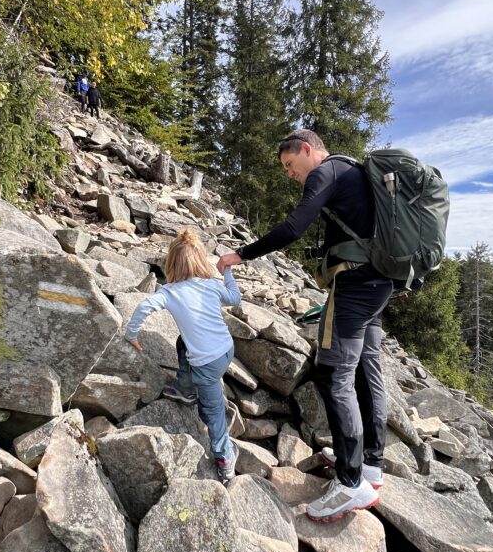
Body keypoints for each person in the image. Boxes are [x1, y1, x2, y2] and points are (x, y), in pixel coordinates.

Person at [216, 129, 394, 522]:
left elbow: (294, 227)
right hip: (380, 281)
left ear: (307, 150)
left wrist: (239, 255)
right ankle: (371, 465)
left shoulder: (325, 172)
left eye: (289, 165)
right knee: (368, 369)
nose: (289, 174)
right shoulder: (355, 171)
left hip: (356, 283)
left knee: (336, 373)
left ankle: (351, 484)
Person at [127, 229, 242, 482]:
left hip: (205, 367)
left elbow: (144, 306)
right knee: (183, 342)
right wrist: (228, 273)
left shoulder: (169, 292)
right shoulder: (212, 285)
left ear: (171, 264)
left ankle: (224, 456)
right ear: (201, 260)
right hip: (226, 351)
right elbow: (235, 298)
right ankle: (186, 388)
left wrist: (132, 335)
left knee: (213, 412)